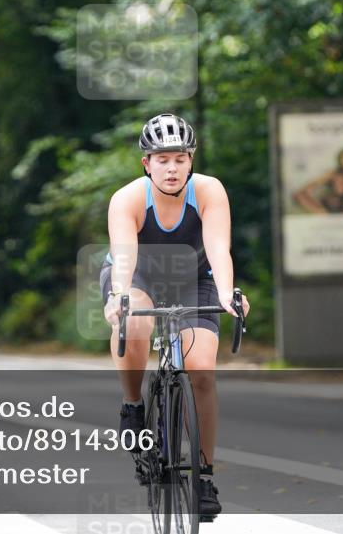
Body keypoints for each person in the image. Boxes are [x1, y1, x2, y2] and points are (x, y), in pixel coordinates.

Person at [101, 113, 250, 518]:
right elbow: (125, 258)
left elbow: (219, 248)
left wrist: (225, 294)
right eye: (162, 159)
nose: (172, 168)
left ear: (191, 160)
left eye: (180, 158)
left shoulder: (208, 192)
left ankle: (203, 477)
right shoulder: (128, 199)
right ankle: (133, 405)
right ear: (146, 164)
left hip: (194, 278)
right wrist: (118, 296)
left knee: (201, 369)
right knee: (135, 322)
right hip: (139, 276)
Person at [292, 147, 343, 214]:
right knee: (299, 195)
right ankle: (321, 212)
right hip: (324, 208)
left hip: (339, 210)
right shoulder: (332, 174)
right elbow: (307, 188)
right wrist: (317, 208)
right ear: (340, 162)